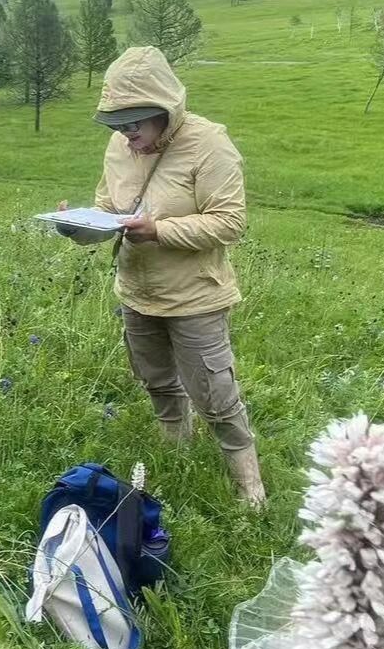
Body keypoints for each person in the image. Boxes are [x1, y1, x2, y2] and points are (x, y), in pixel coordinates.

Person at [57, 45, 266, 507]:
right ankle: (176, 450)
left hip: (195, 297)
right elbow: (111, 209)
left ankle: (249, 485)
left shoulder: (210, 145)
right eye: (117, 125)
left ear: (165, 112)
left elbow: (230, 223)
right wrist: (80, 226)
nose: (126, 136)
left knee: (215, 394)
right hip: (136, 291)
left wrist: (160, 231)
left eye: (134, 125)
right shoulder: (119, 147)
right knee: (156, 379)